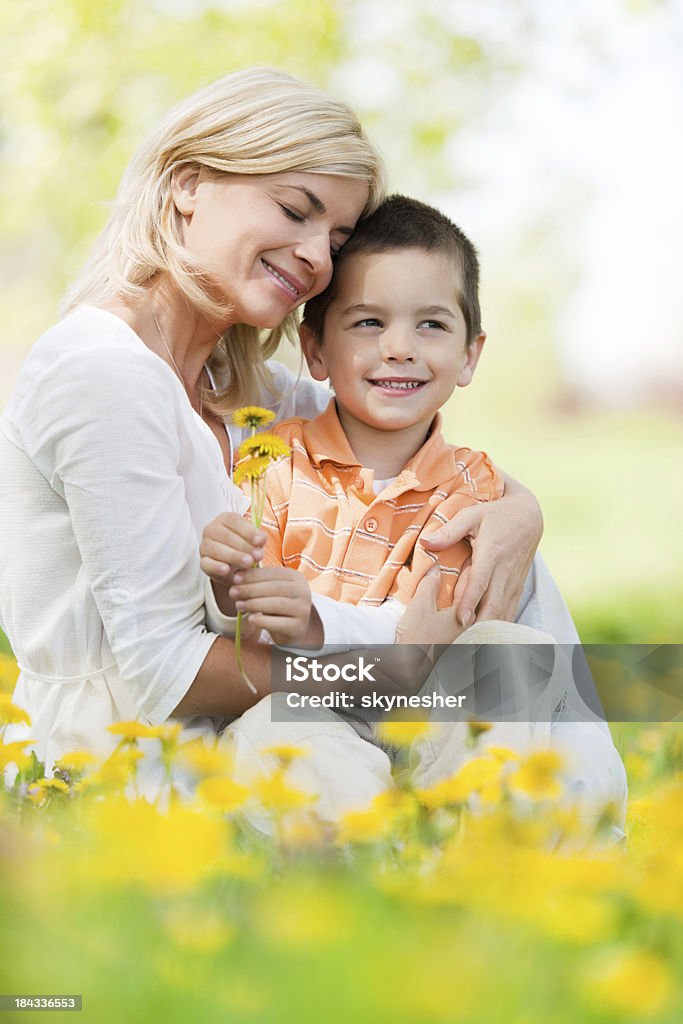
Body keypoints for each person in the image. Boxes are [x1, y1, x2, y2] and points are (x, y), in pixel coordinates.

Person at [0, 69, 544, 788]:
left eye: (337, 236)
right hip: (134, 769)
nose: (318, 257)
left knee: (507, 637)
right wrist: (394, 674)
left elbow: (415, 465)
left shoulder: (256, 395)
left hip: (283, 740)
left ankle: (548, 845)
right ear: (188, 185)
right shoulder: (105, 375)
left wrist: (518, 512)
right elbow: (170, 675)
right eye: (295, 210)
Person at [200, 196, 627, 838]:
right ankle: (364, 875)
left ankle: (492, 848)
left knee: (507, 653)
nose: (399, 349)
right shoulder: (272, 463)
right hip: (312, 711)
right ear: (315, 350)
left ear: (470, 355)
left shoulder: (475, 494)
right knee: (272, 734)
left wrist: (314, 619)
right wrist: (227, 581)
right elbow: (243, 624)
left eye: (431, 325)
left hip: (434, 714)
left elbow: (431, 637)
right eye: (368, 323)